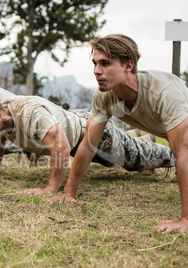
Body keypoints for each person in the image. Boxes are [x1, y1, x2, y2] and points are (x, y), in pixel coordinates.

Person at [51, 34, 188, 234]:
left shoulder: (164, 91)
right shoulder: (104, 96)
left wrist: (185, 219)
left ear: (128, 66)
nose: (97, 71)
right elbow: (88, 146)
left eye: (105, 64)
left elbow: (183, 151)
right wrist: (68, 194)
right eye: (95, 63)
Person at [0, 93, 175, 196]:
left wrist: (50, 189)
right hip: (74, 121)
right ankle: (138, 138)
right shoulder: (1, 120)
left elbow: (62, 148)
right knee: (121, 154)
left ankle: (175, 155)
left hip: (91, 135)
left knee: (137, 159)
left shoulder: (30, 113)